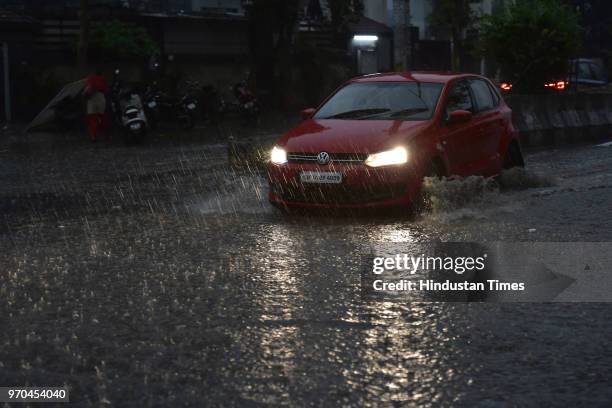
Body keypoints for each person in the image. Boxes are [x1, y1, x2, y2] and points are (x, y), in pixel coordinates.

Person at [83, 68, 109, 142]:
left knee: (92, 119)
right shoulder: (103, 80)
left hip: (91, 99)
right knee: (103, 117)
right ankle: (104, 134)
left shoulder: (90, 79)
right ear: (101, 74)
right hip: (100, 98)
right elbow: (106, 90)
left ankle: (93, 136)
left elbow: (86, 90)